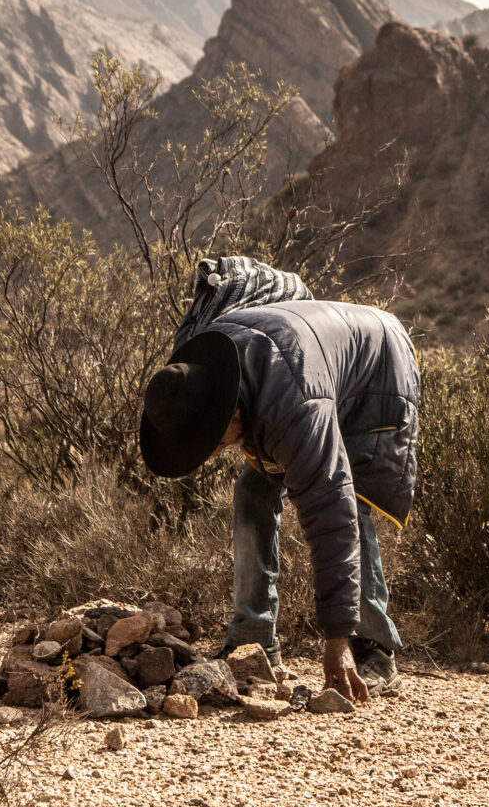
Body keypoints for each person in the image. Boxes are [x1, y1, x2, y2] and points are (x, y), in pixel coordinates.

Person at [139, 296, 419, 702]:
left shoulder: (294, 409)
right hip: (298, 359)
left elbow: (331, 514)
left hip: (378, 369)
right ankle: (252, 637)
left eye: (212, 442)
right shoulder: (203, 374)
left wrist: (335, 641)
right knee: (252, 488)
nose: (212, 453)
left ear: (231, 413)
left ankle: (374, 649)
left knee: (350, 498)